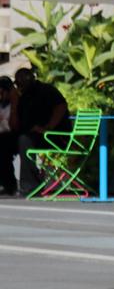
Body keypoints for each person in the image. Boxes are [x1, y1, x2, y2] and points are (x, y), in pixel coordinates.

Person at [13, 68, 69, 196]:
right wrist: (15, 102)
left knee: (24, 140)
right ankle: (9, 183)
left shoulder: (46, 90)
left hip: (54, 136)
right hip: (32, 134)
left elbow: (61, 106)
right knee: (10, 141)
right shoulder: (23, 97)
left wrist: (47, 128)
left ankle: (30, 185)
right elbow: (17, 123)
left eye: (21, 83)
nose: (19, 86)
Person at [0, 76, 18, 195]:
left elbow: (13, 126)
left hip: (13, 136)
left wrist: (14, 103)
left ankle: (9, 184)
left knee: (3, 147)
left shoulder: (15, 104)